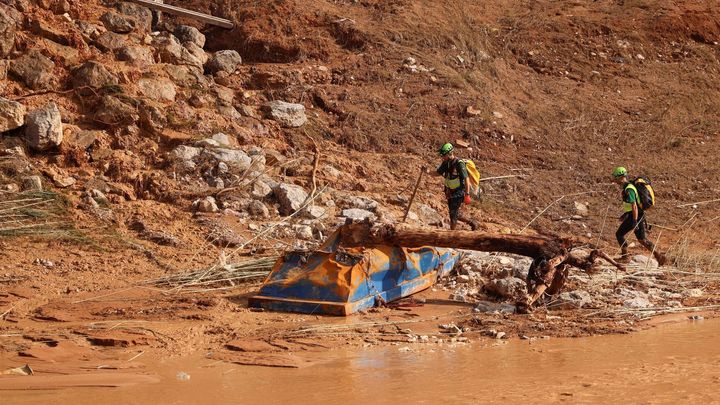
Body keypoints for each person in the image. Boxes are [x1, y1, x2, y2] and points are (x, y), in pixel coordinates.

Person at [612, 166, 667, 265]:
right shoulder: (629, 187)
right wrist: (625, 214)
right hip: (636, 215)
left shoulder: (629, 189)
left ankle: (625, 257)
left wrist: (634, 221)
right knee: (642, 239)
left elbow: (634, 206)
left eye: (615, 178)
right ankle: (659, 256)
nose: (614, 180)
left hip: (634, 216)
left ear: (620, 177)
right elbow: (633, 205)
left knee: (619, 234)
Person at [426, 143, 471, 230]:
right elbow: (438, 173)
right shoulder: (445, 163)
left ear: (450, 153)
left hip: (459, 192)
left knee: (453, 213)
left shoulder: (459, 164)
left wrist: (467, 194)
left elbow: (466, 179)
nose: (442, 157)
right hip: (450, 192)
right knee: (453, 211)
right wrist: (427, 171)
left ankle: (452, 234)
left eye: (444, 155)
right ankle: (471, 222)